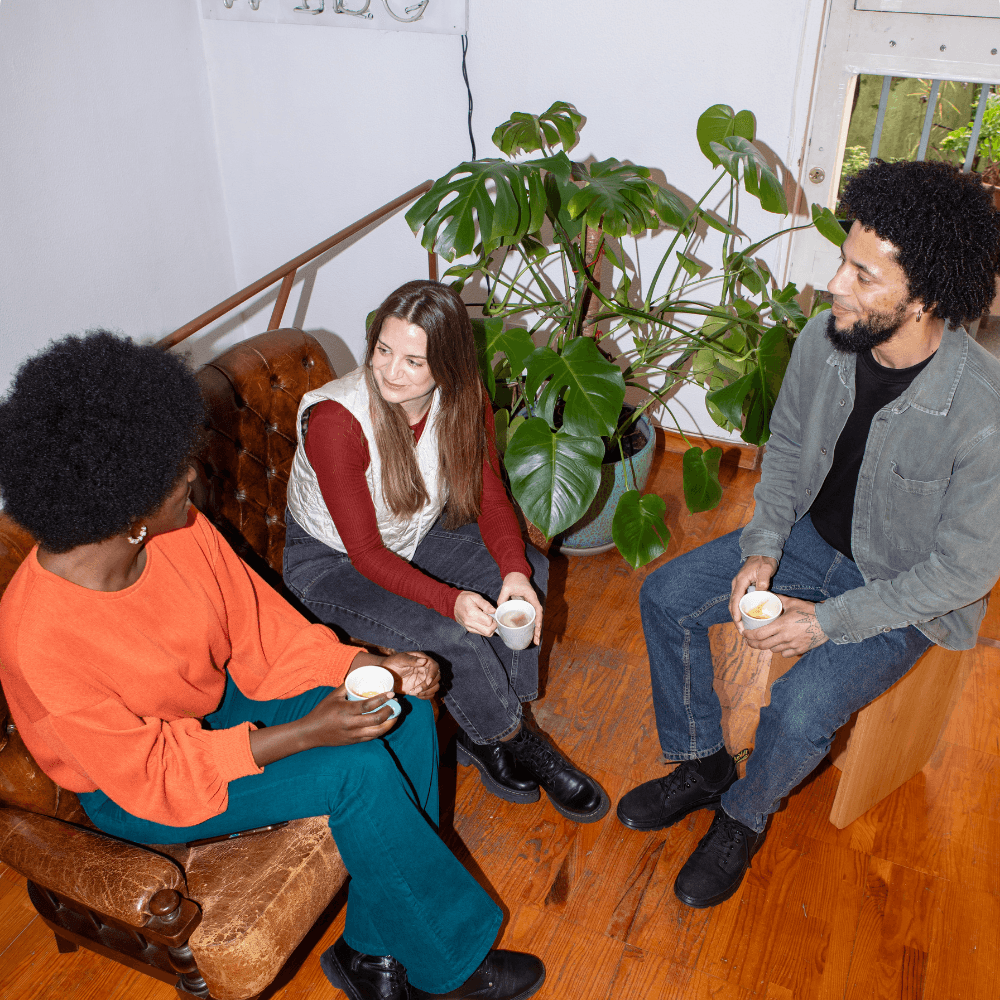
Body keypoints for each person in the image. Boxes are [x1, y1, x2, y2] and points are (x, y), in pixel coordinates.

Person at [0, 330, 545, 1000]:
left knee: (398, 714)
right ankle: (450, 970)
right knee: (354, 767)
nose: (193, 474)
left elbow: (267, 639)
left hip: (213, 710)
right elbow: (153, 772)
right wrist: (304, 734)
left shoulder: (181, 534)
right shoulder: (39, 636)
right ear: (128, 508)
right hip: (140, 786)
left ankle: (370, 956)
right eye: (175, 469)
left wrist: (366, 666)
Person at [617, 159, 1000, 908]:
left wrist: (825, 624)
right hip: (806, 543)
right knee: (666, 599)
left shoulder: (984, 414)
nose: (835, 285)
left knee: (796, 709)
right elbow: (788, 448)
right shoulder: (825, 341)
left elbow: (960, 574)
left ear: (921, 297)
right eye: (842, 262)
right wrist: (763, 546)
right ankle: (703, 766)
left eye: (862, 275)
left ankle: (743, 815)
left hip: (897, 595)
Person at [282, 279, 608, 822]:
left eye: (414, 360)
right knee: (449, 630)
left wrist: (514, 571)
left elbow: (487, 494)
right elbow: (365, 553)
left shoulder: (463, 397)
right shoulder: (337, 421)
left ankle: (495, 725)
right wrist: (448, 600)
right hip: (331, 562)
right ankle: (509, 736)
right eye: (384, 350)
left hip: (411, 532)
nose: (390, 371)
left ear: (448, 365)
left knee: (534, 576)